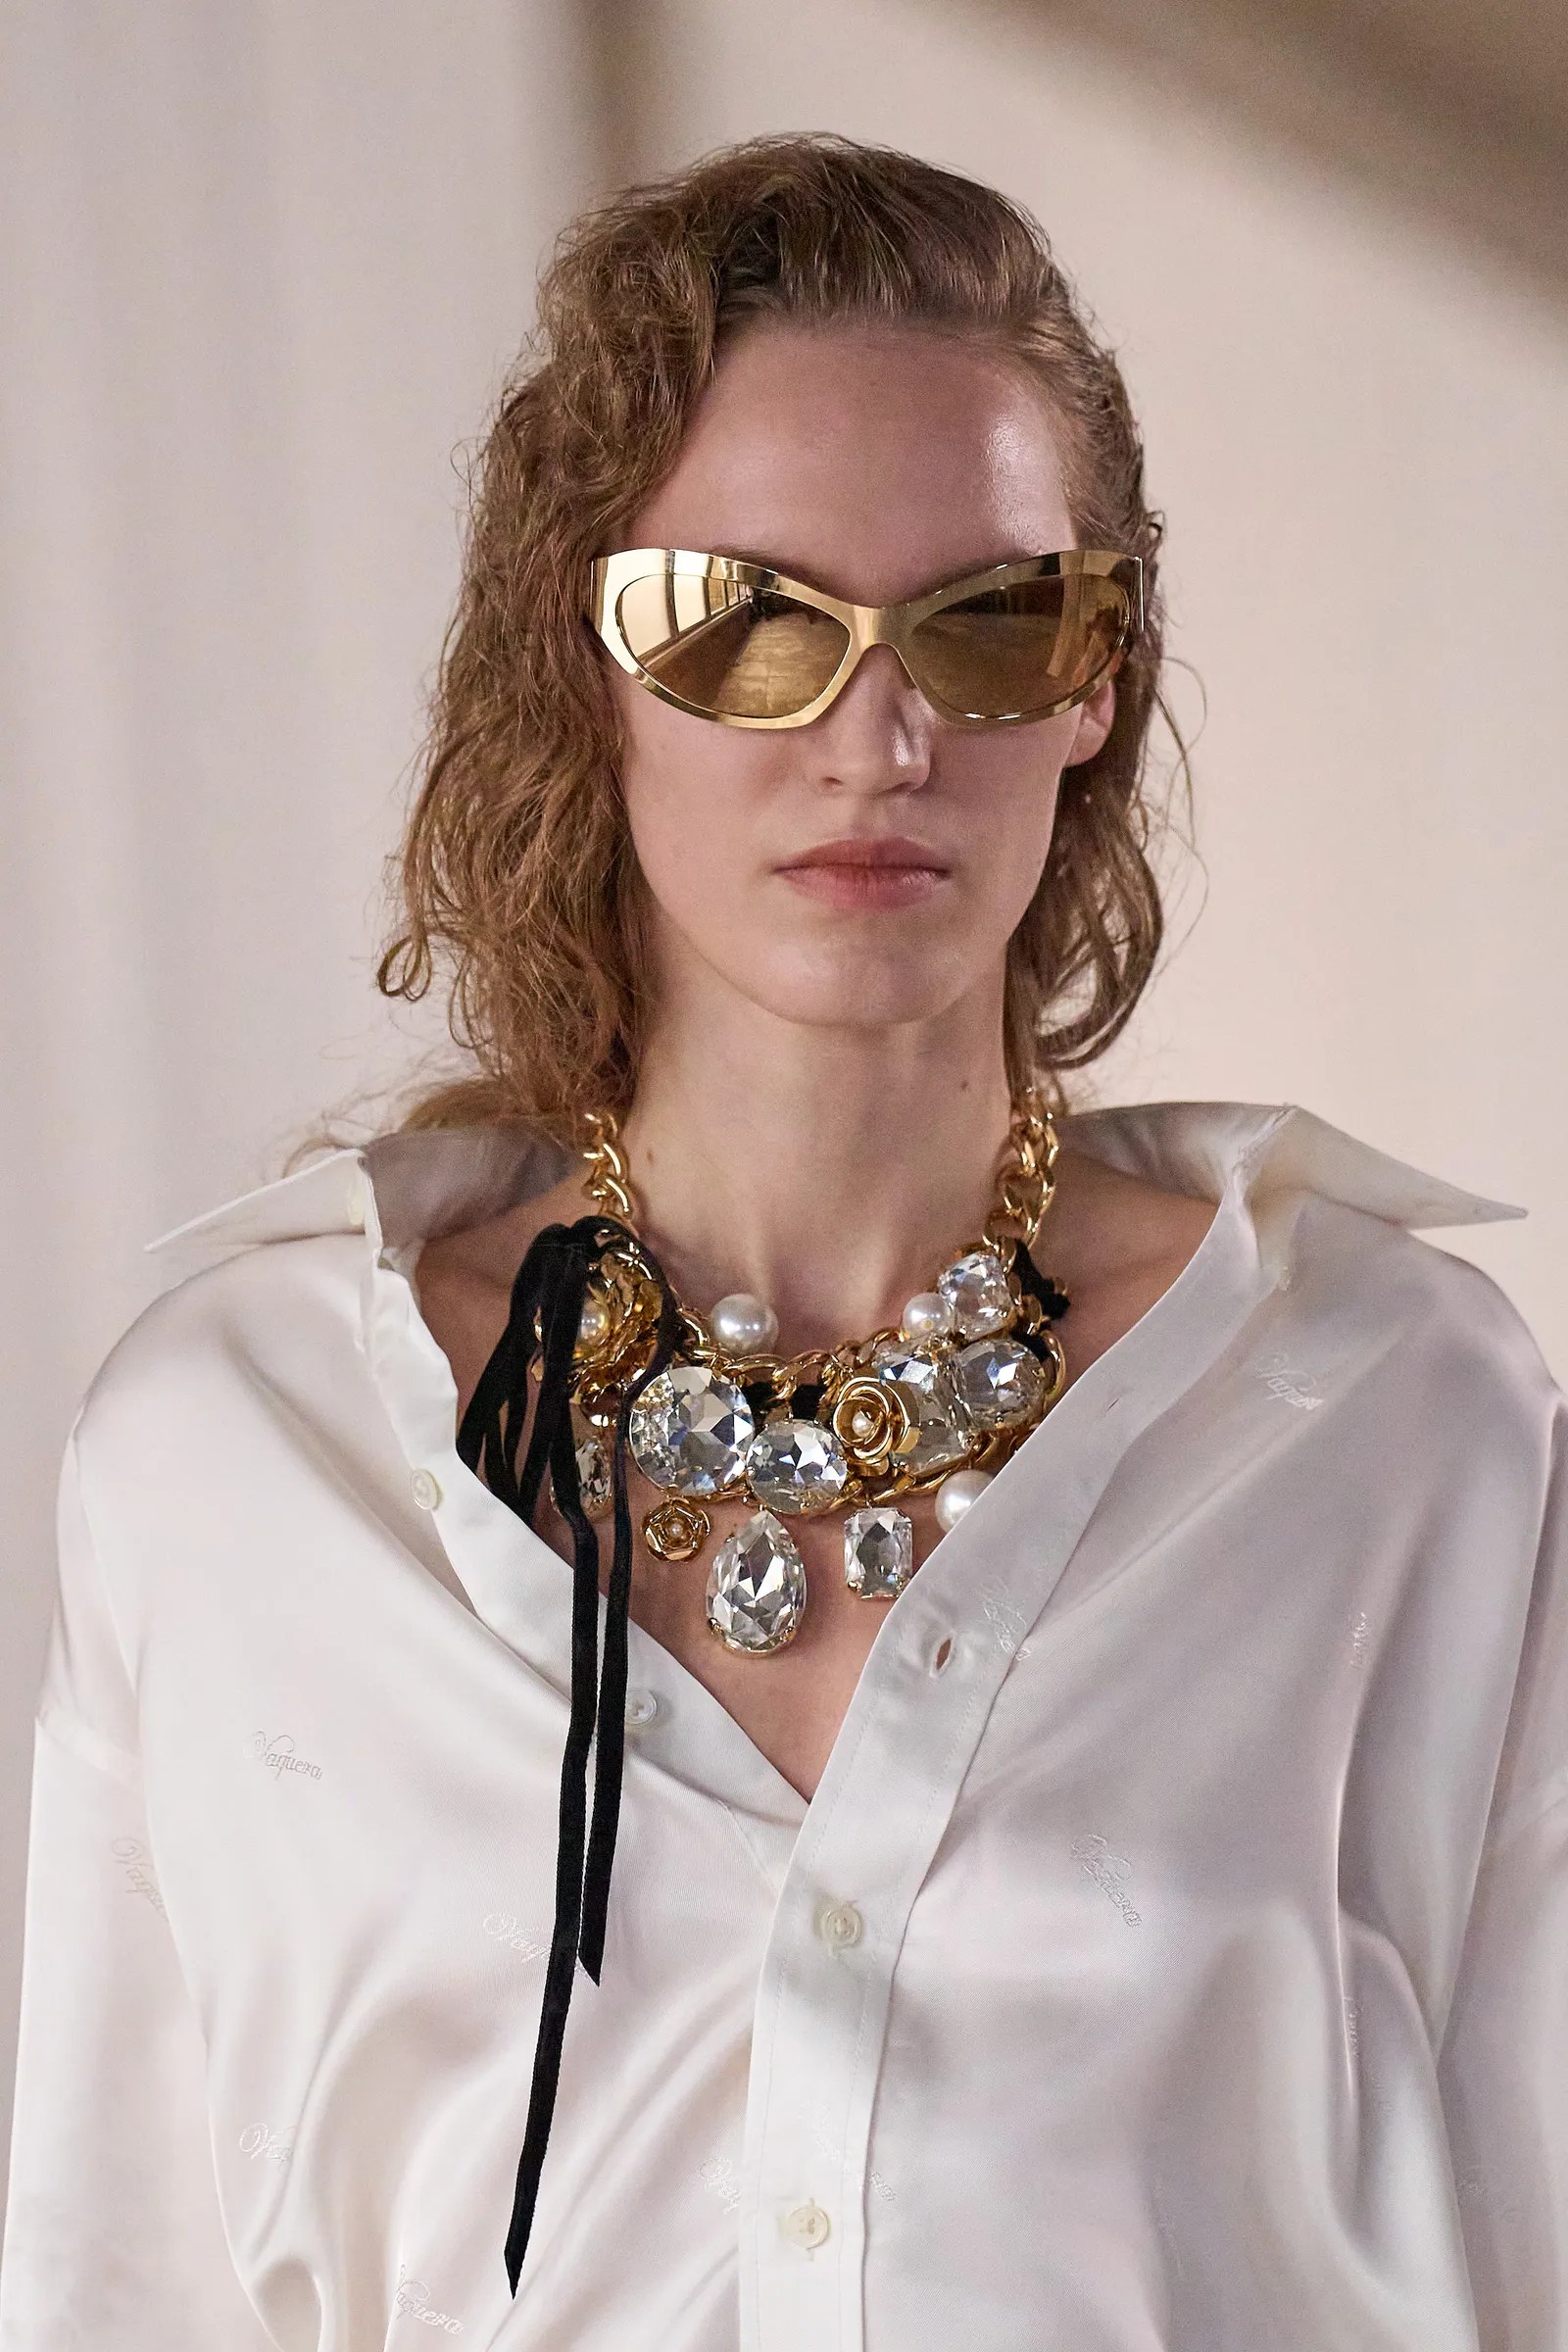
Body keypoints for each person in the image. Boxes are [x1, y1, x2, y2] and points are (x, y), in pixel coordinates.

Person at [2, 131, 1563, 2352]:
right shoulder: (230, 1462)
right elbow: (112, 2291)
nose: (880, 735)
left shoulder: (1399, 1422)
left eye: (992, 618)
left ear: (1097, 679)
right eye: (743, 624)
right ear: (584, 668)